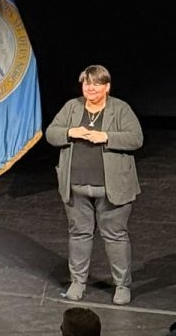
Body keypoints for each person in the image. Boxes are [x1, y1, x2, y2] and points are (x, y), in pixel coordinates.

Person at [45, 64, 142, 306]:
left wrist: (106, 136)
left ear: (107, 87)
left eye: (96, 84)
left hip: (112, 188)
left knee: (115, 236)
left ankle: (122, 285)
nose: (90, 88)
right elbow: (51, 134)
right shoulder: (72, 107)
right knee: (78, 235)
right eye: (87, 83)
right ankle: (77, 282)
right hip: (76, 186)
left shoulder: (120, 109)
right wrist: (71, 131)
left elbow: (136, 138)